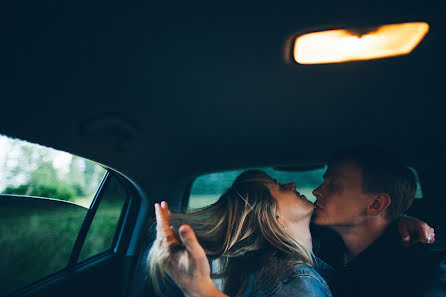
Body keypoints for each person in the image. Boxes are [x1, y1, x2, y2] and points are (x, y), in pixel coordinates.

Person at [148, 148, 444, 297]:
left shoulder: (423, 273)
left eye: (334, 185)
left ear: (377, 204)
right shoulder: (317, 242)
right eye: (323, 181)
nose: (316, 190)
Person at [150, 170, 335, 297]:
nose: (292, 184)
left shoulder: (295, 269)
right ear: (272, 217)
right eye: (279, 187)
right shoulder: (295, 279)